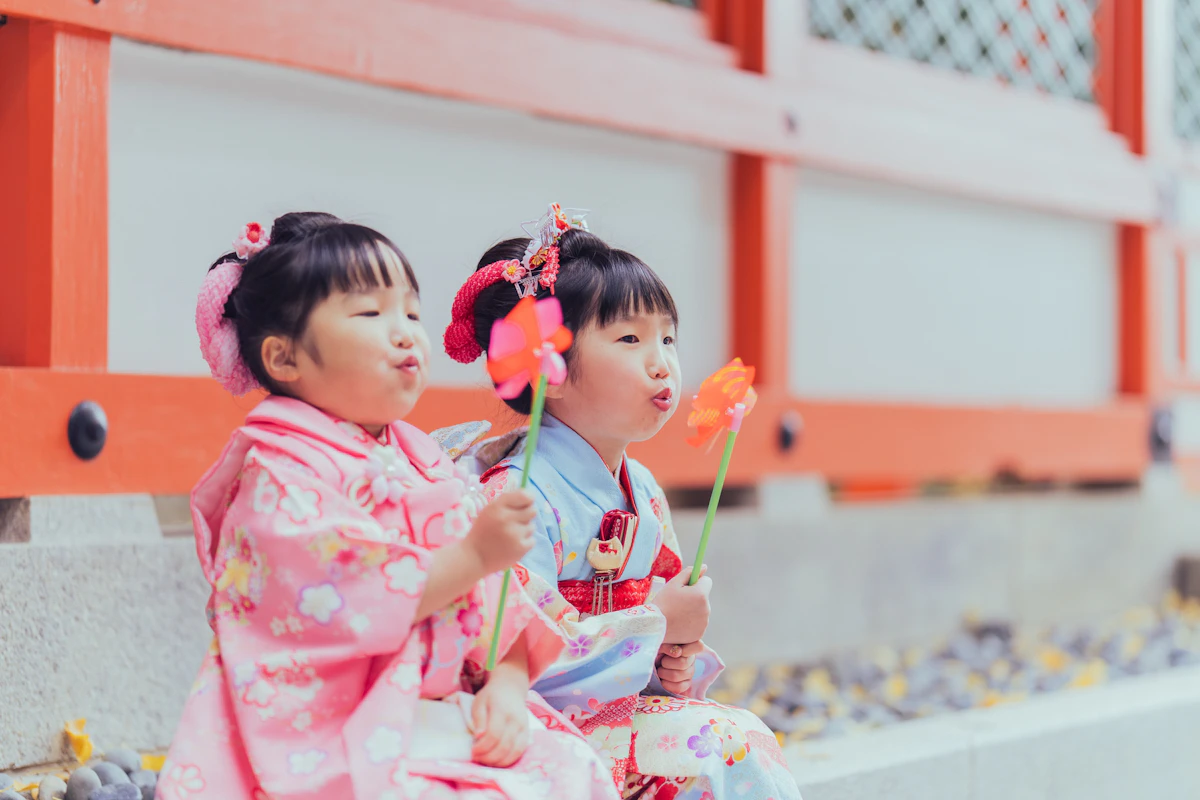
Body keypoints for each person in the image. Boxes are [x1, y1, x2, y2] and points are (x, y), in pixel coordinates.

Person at [158, 212, 621, 800]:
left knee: (571, 773)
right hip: (336, 725)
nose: (405, 332)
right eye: (371, 313)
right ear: (284, 359)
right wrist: (473, 554)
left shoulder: (419, 457)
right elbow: (348, 595)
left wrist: (507, 682)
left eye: (411, 312)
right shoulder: (279, 475)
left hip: (431, 707)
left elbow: (496, 599)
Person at [442, 204, 802, 799]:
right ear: (547, 362)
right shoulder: (515, 492)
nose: (662, 363)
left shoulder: (644, 489)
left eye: (667, 337)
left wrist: (670, 659)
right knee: (719, 744)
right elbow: (511, 652)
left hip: (609, 716)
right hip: (537, 727)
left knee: (735, 735)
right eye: (630, 338)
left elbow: (658, 626)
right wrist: (656, 621)